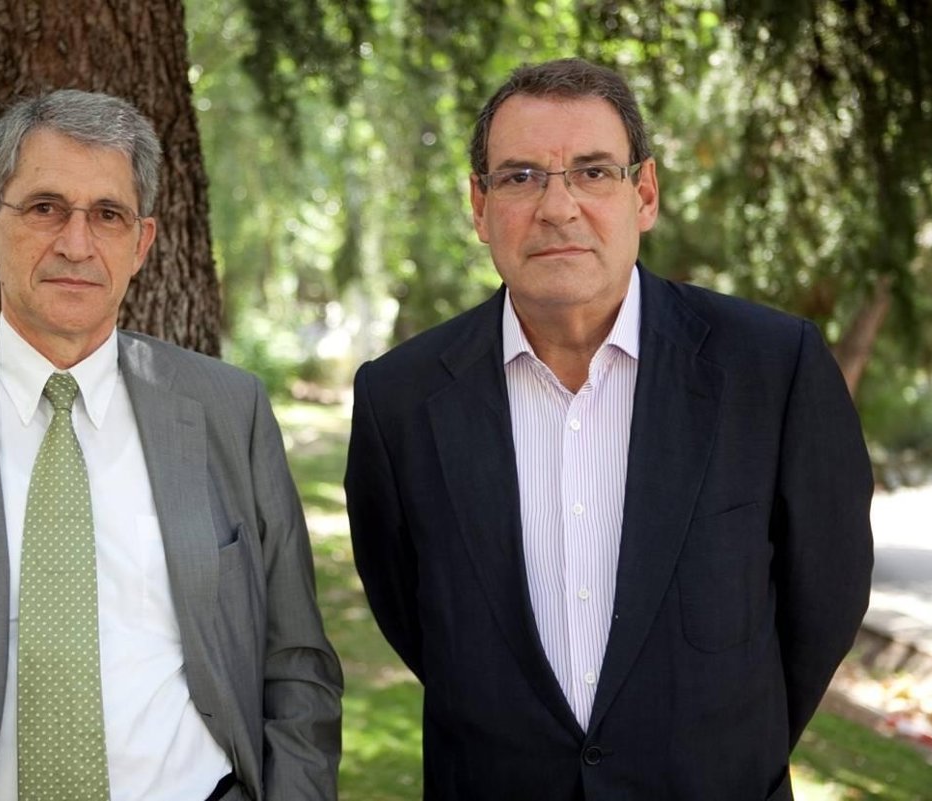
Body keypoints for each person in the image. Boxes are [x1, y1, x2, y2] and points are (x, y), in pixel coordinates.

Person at [0, 89, 342, 801]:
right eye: (46, 207)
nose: (77, 244)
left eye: (107, 214)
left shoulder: (230, 411)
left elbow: (296, 664)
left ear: (141, 244)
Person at [344, 58, 872, 801]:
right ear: (480, 205)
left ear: (644, 193)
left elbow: (826, 600)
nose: (557, 207)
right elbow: (409, 612)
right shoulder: (399, 399)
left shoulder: (772, 368)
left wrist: (730, 748)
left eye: (592, 172)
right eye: (521, 177)